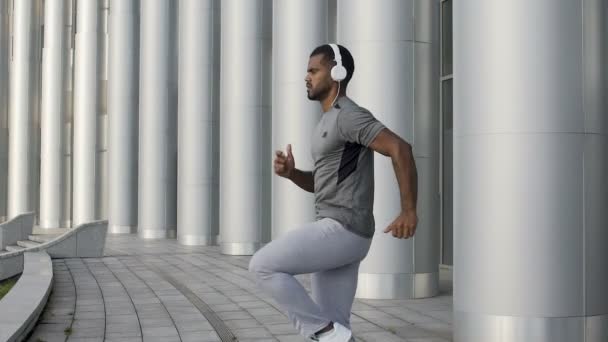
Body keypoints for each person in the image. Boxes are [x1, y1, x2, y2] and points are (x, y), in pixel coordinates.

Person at [249, 43, 418, 342]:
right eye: (307, 71)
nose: (307, 77)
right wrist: (292, 174)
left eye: (314, 70)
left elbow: (399, 148)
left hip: (343, 228)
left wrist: (408, 210)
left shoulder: (348, 116)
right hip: (343, 232)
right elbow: (322, 183)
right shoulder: (327, 121)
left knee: (263, 265)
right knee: (337, 327)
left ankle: (323, 331)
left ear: (337, 72)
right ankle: (331, 332)